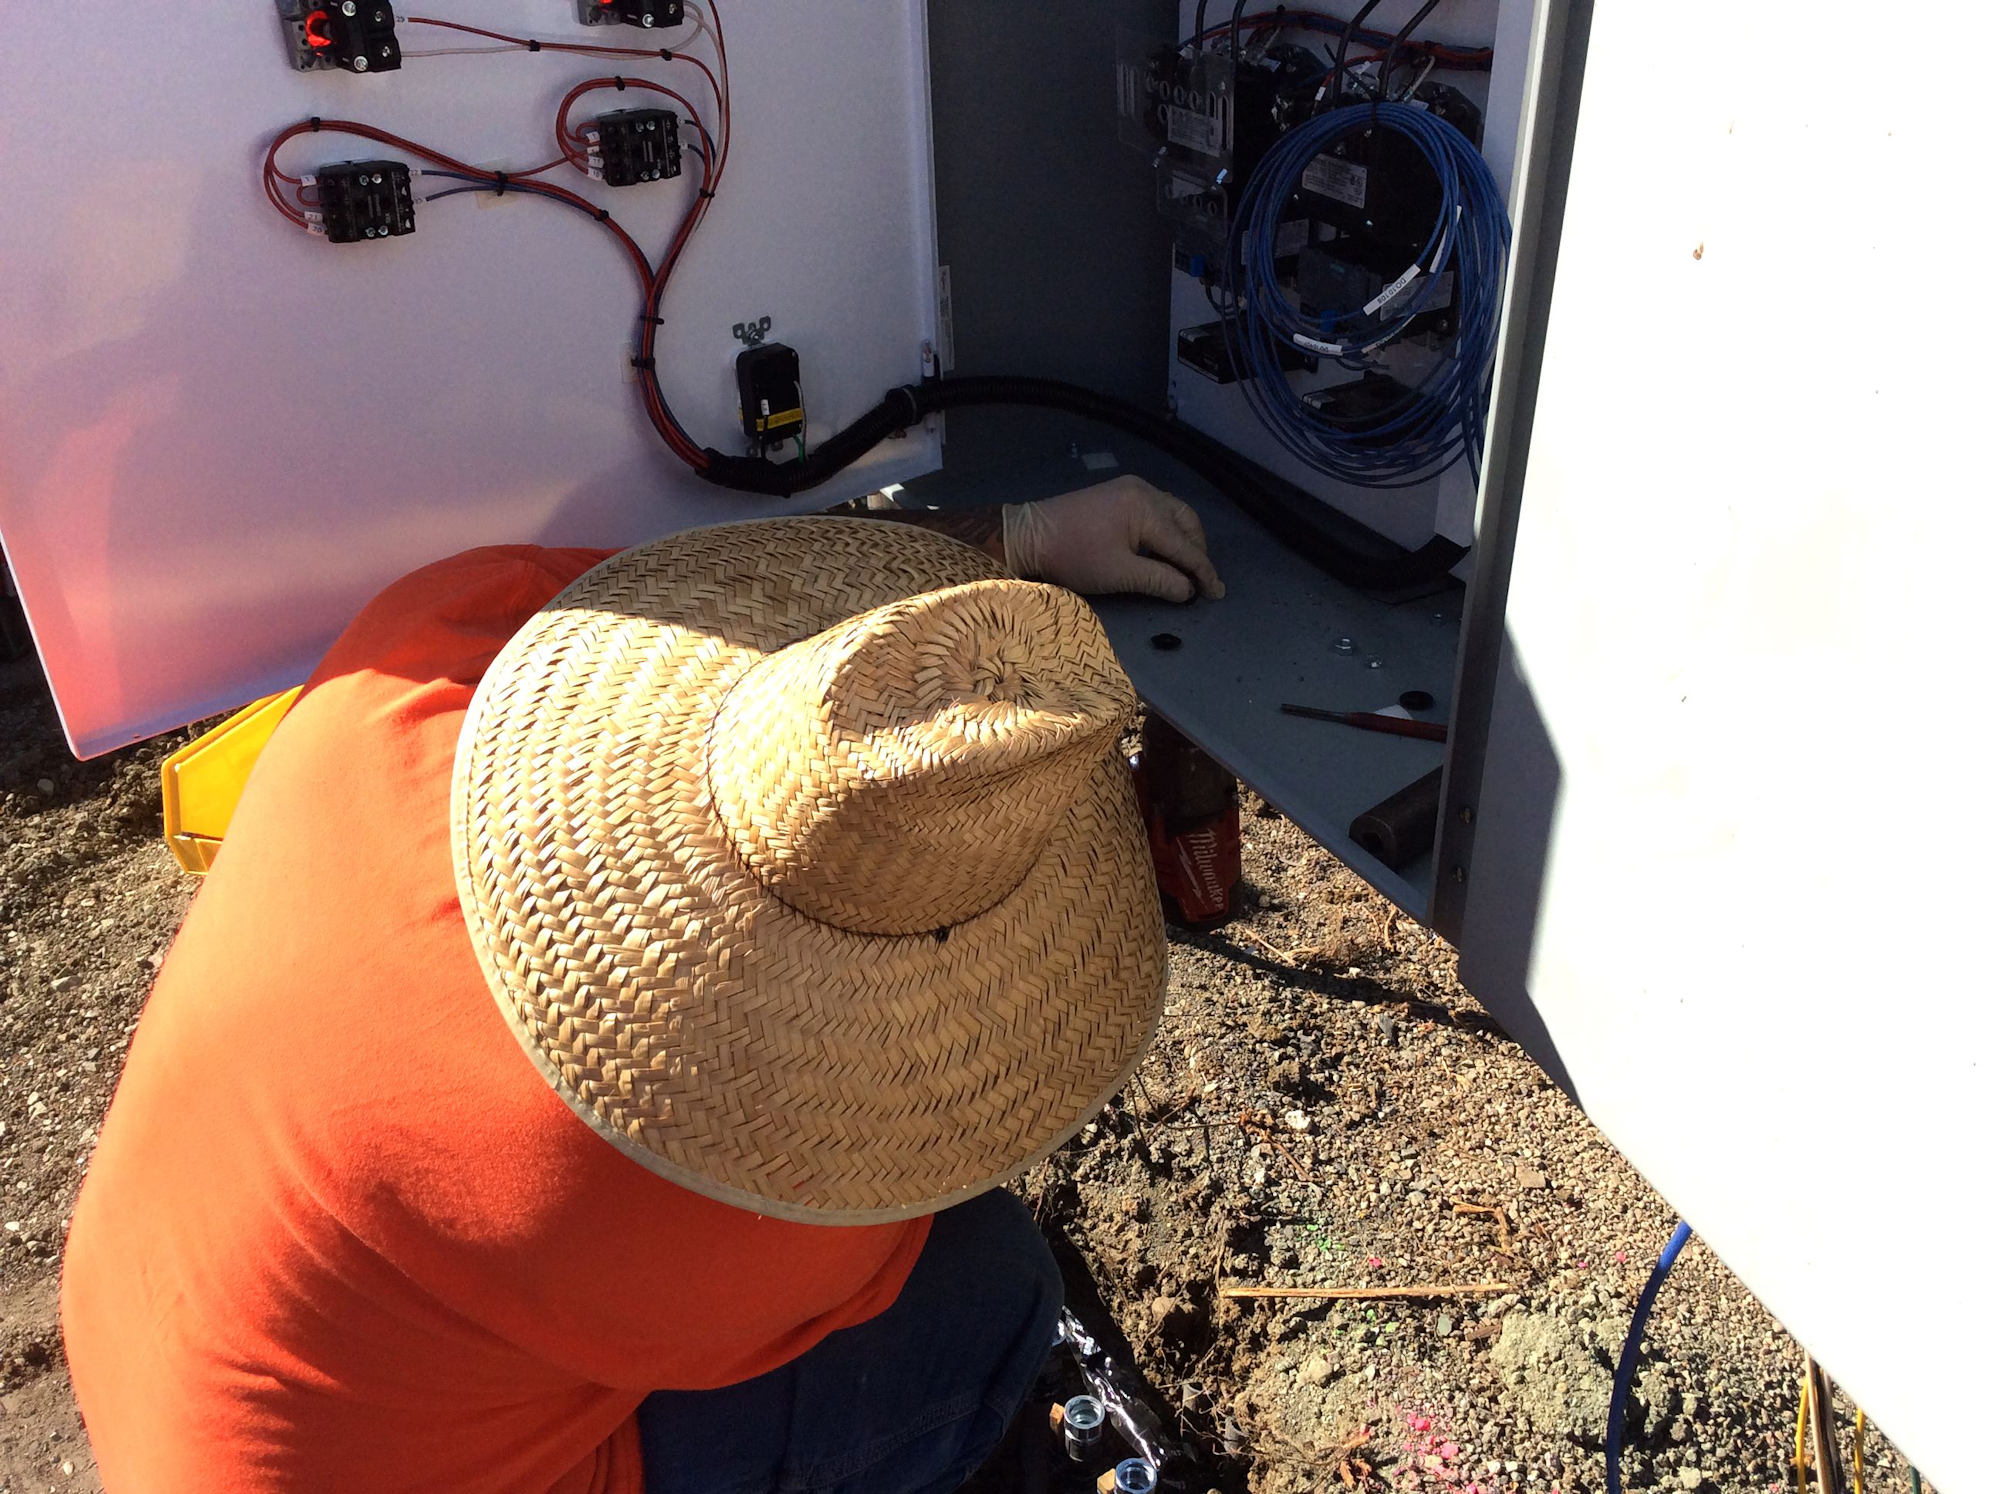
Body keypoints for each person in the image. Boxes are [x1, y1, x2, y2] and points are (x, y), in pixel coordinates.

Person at [61, 478, 1223, 1493]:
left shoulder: (425, 652)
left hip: (139, 1331)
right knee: (987, 1290)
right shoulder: (706, 1196)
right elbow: (905, 1212)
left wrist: (1015, 537)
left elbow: (679, 579)